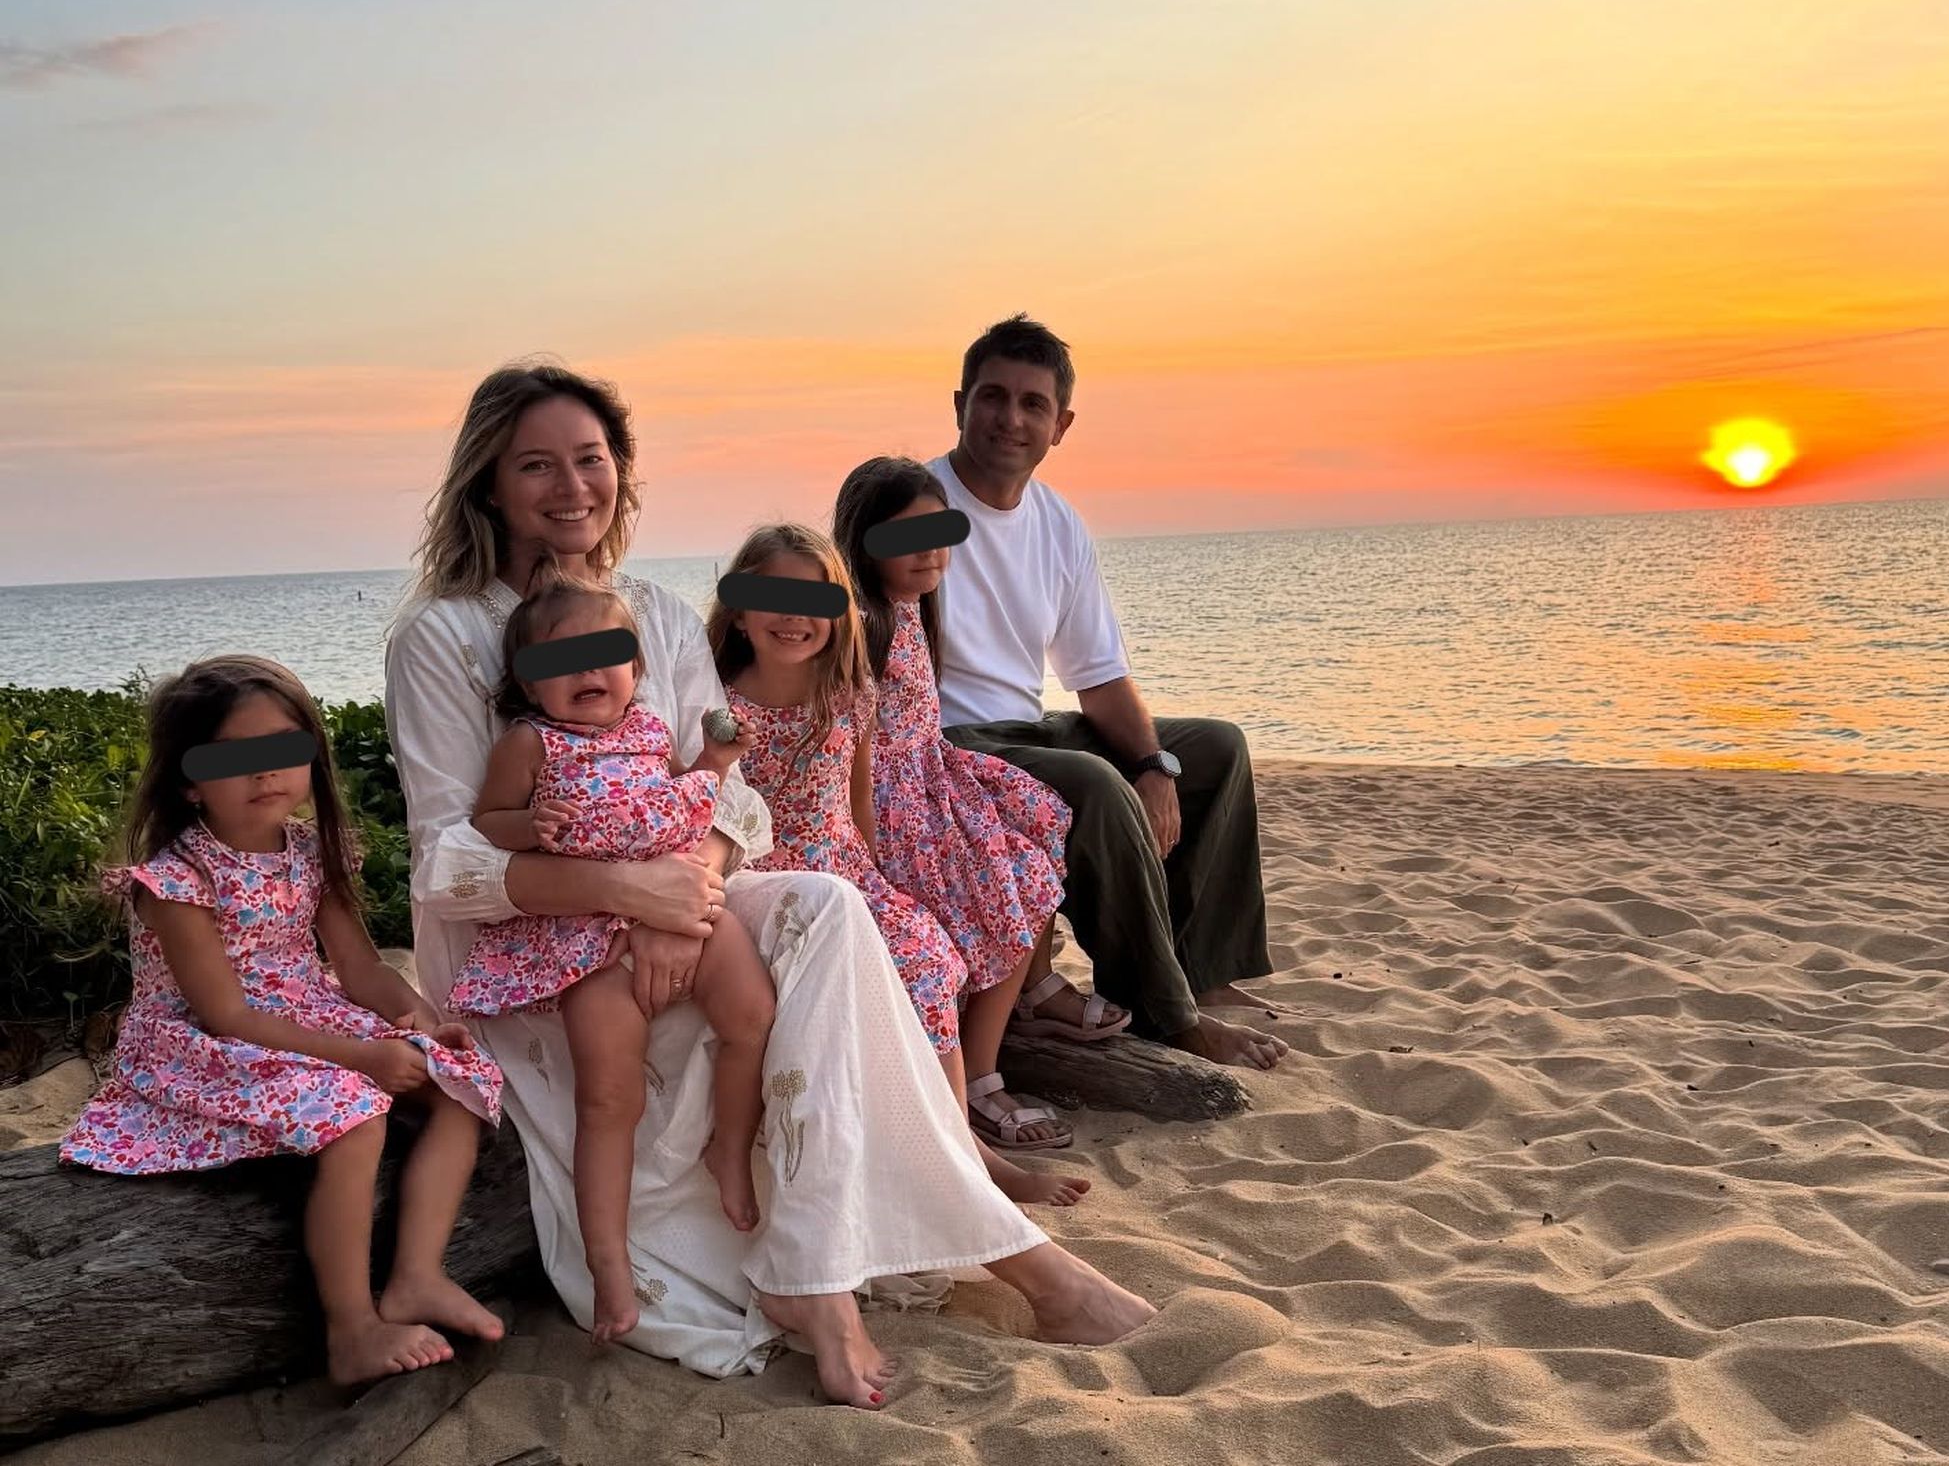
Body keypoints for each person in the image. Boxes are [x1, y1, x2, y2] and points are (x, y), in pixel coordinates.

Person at [382, 360, 1155, 1410]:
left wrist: (692, 892)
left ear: (620, 473)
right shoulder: (440, 635)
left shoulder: (656, 616)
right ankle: (930, 1273)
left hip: (679, 888)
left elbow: (734, 799)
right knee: (794, 952)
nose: (571, 487)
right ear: (488, 482)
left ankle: (887, 1262)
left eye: (591, 460)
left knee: (833, 907)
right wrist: (632, 894)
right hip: (534, 936)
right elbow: (448, 862)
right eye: (536, 466)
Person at [61, 655, 507, 1386]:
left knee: (460, 1081)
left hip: (306, 1013)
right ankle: (351, 1327)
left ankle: (417, 1274)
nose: (265, 771)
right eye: (234, 757)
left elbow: (360, 968)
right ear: (189, 780)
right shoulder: (177, 881)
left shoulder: (309, 851)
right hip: (205, 1042)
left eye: (283, 748)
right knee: (354, 1113)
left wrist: (421, 1024)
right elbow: (225, 1012)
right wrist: (363, 1058)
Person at [931, 315, 1291, 1073]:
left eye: (1033, 404)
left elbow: (1098, 676)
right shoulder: (916, 507)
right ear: (960, 403)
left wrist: (1156, 763)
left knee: (1214, 749)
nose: (1009, 418)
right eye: (992, 396)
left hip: (1027, 729)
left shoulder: (1058, 524)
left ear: (1060, 426)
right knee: (1097, 782)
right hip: (946, 740)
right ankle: (1168, 1016)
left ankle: (1199, 968)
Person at [712, 522, 1088, 1207]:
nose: (794, 617)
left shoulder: (848, 691)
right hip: (769, 880)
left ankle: (966, 1152)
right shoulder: (719, 703)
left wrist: (880, 884)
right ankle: (966, 1160)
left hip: (847, 868)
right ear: (738, 611)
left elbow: (857, 800)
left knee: (927, 956)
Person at [448, 561, 775, 1341]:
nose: (587, 673)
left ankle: (730, 1150)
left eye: (605, 655)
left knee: (752, 1014)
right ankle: (609, 1264)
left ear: (635, 668)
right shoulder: (530, 744)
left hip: (674, 902)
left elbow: (687, 800)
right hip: (581, 936)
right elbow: (486, 822)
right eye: (561, 661)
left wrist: (718, 759)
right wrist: (531, 826)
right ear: (529, 683)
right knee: (608, 1098)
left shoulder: (651, 732)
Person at [833, 455, 1087, 1157]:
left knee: (1039, 831)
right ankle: (977, 1076)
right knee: (1006, 884)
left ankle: (1021, 1004)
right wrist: (865, 847)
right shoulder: (861, 623)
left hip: (931, 770)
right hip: (893, 801)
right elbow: (852, 747)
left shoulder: (912, 607)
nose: (930, 553)